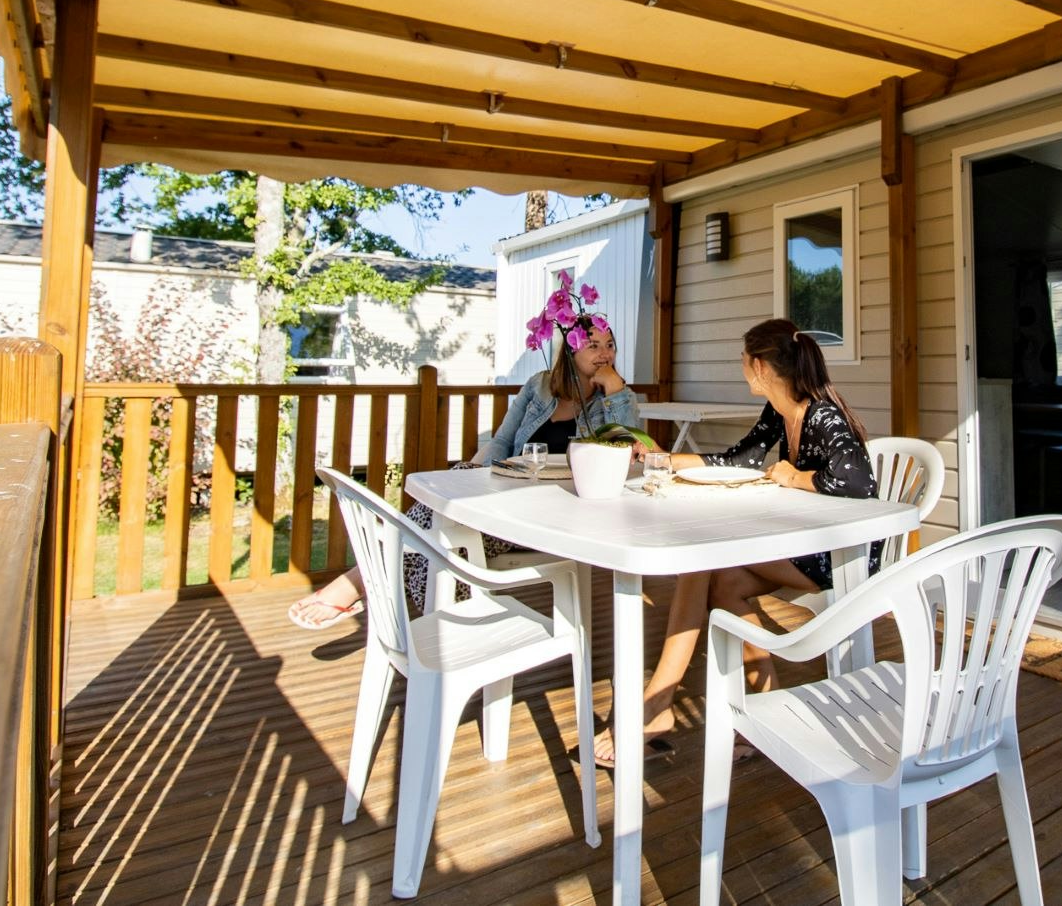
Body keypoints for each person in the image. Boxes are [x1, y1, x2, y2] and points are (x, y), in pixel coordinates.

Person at [593, 317, 875, 766]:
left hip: (840, 552)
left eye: (744, 359)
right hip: (801, 542)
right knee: (723, 583)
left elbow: (859, 482)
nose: (741, 366)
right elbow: (738, 459)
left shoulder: (822, 414)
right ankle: (763, 709)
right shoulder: (779, 412)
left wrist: (794, 476)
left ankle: (657, 703)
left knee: (701, 561)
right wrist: (661, 459)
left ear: (760, 366)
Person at [287, 318, 637, 629]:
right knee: (443, 522)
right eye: (593, 345)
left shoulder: (619, 397)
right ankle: (445, 618)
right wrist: (474, 480)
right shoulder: (539, 386)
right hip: (506, 496)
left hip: (553, 513)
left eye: (610, 345)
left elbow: (623, 452)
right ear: (571, 351)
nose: (604, 354)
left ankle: (376, 586)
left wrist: (615, 391)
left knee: (440, 534)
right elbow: (502, 442)